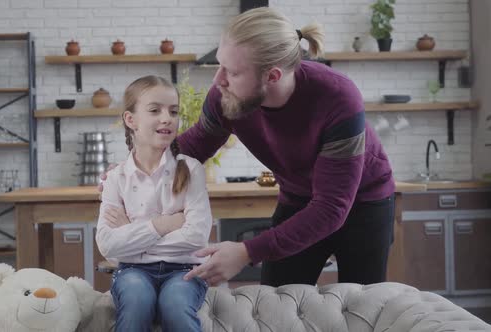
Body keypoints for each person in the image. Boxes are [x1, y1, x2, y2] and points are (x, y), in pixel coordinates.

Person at [101, 7, 396, 289]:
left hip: (364, 206)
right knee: (277, 307)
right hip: (297, 201)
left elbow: (331, 207)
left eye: (232, 72)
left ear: (272, 76)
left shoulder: (338, 99)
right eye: (220, 64)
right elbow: (195, 144)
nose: (218, 80)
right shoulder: (224, 96)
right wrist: (134, 168)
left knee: (362, 307)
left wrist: (245, 252)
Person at [96, 75, 211, 332]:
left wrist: (132, 230)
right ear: (130, 120)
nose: (166, 118)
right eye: (154, 110)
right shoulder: (116, 178)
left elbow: (197, 237)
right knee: (136, 299)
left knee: (176, 303)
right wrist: (164, 224)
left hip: (184, 271)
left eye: (173, 111)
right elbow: (107, 245)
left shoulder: (191, 169)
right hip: (132, 272)